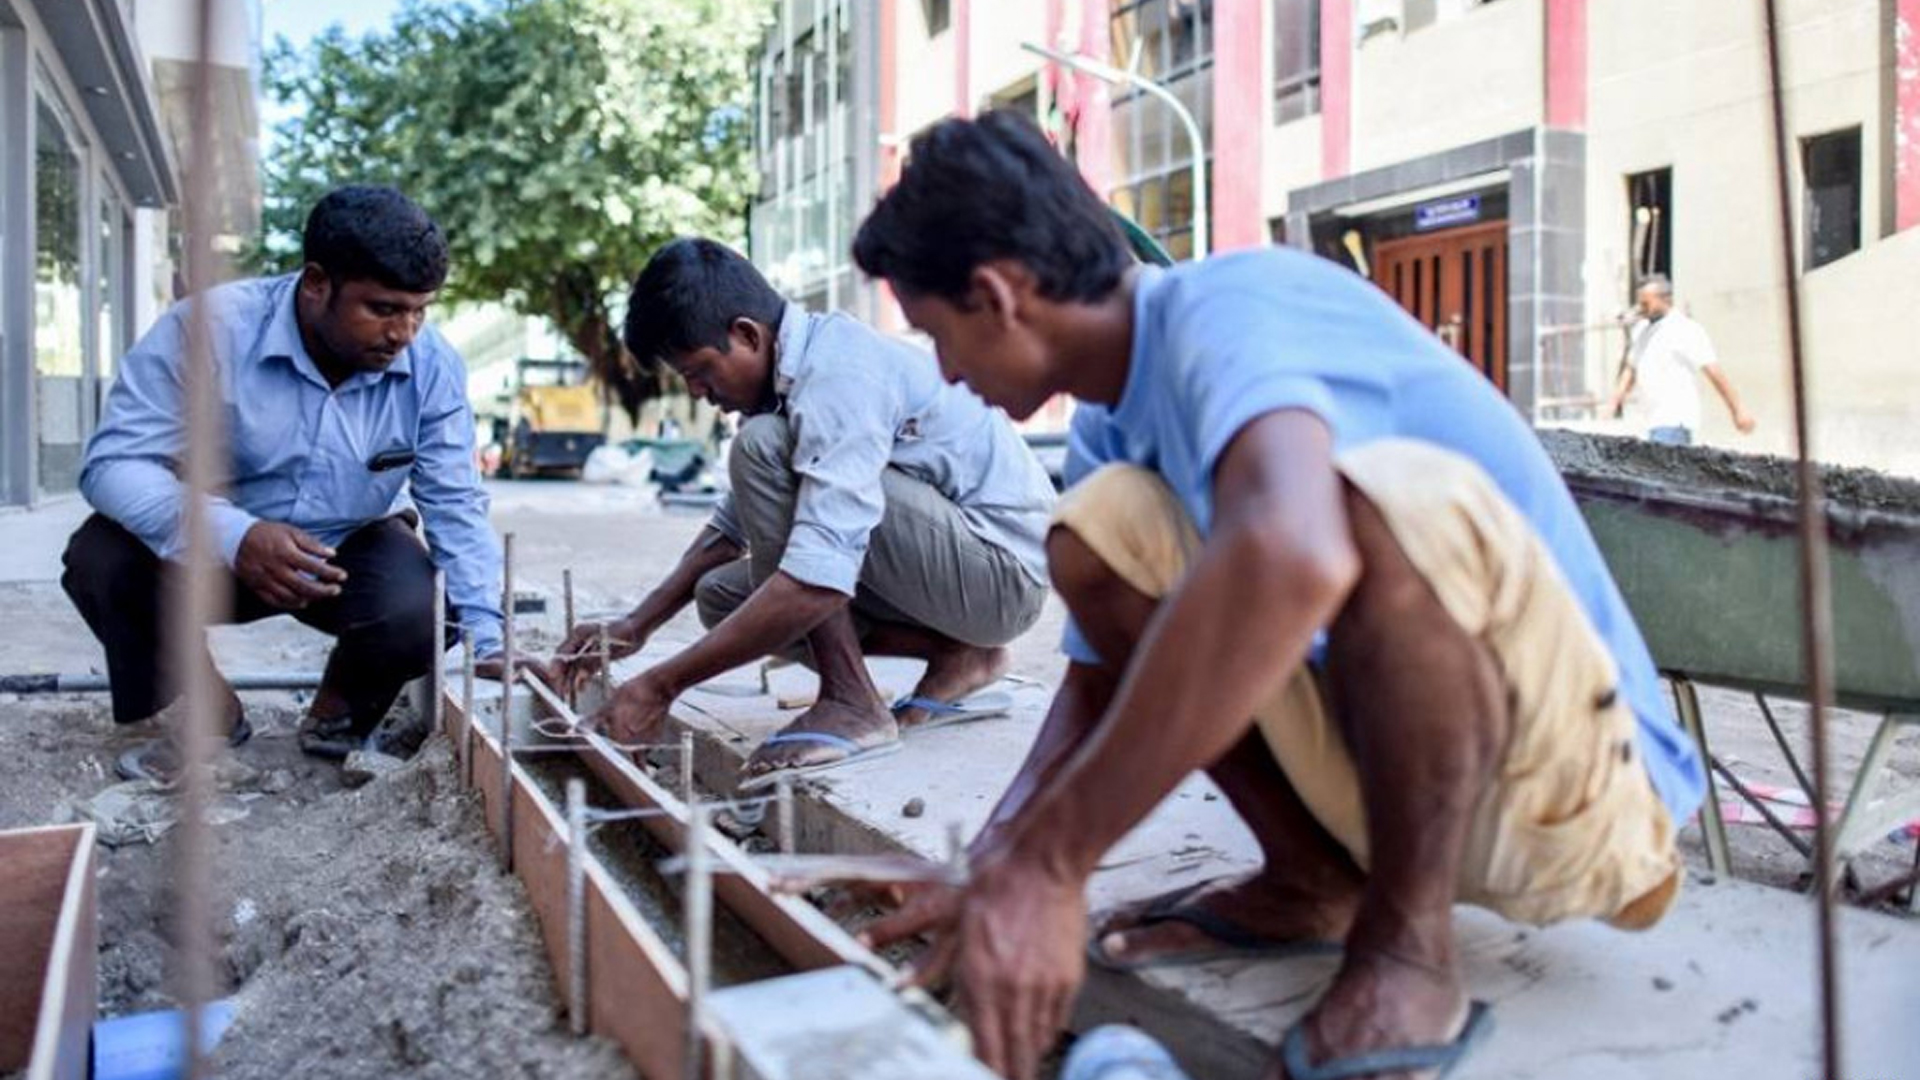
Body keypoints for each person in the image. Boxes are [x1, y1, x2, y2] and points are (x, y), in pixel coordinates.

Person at [848, 112, 1706, 1080]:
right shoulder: (1106, 424)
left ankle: (1409, 951)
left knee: (1363, 501)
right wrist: (1001, 864)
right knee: (1098, 530)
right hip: (1410, 793)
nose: (948, 374)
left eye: (936, 336)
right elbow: (1095, 688)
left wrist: (1056, 867)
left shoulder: (1236, 303)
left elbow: (1296, 554)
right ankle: (1312, 879)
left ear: (998, 295)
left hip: (1579, 803)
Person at [551, 238, 1055, 785]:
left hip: (1002, 572)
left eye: (699, 370)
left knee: (766, 455)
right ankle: (961, 657)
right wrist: (635, 626)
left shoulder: (836, 375)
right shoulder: (788, 388)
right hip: (959, 576)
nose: (697, 391)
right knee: (721, 596)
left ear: (747, 334)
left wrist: (658, 687)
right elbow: (729, 530)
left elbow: (821, 575)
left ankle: (852, 702)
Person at [63, 186, 506, 782]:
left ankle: (336, 720)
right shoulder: (207, 333)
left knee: (428, 607)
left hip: (347, 549)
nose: (404, 332)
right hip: (210, 547)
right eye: (383, 309)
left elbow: (455, 501)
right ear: (317, 283)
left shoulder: (432, 367)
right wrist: (235, 536)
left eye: (419, 310)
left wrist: (490, 635)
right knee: (100, 559)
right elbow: (112, 464)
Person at [1605, 274, 1755, 446]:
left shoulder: (1685, 330)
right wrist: (1613, 404)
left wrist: (1738, 410)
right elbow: (1630, 370)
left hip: (1674, 422)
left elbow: (1713, 371)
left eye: (1646, 303)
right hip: (1648, 423)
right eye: (1640, 303)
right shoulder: (1640, 331)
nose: (1641, 308)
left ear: (1665, 299)